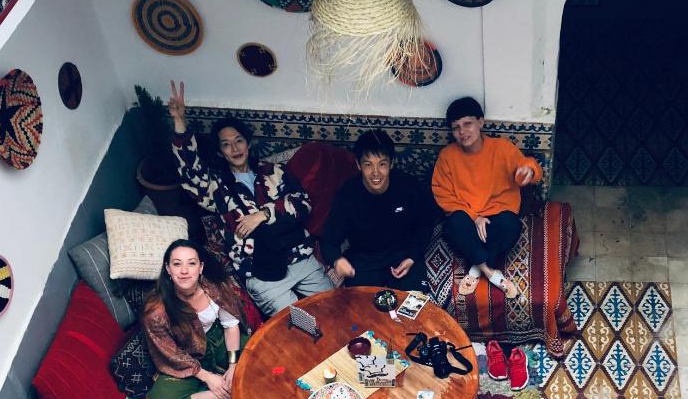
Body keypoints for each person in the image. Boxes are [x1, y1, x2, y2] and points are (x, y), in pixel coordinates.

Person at [167, 80, 332, 316]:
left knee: (335, 309)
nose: (234, 149)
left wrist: (263, 215)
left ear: (248, 143)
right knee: (300, 327)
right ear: (219, 152)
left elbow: (303, 203)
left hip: (300, 257)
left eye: (239, 141)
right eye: (226, 145)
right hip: (261, 272)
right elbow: (190, 176)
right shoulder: (216, 187)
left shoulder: (274, 171)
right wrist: (179, 122)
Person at [432, 97, 541, 299]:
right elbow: (442, 193)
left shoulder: (501, 148)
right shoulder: (447, 156)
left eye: (468, 124)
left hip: (498, 217)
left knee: (510, 225)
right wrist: (475, 217)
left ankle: (475, 268)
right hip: (467, 219)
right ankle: (490, 273)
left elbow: (528, 167)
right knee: (453, 226)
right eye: (456, 128)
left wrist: (528, 171)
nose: (462, 132)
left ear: (481, 122)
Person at [141, 239, 248, 399]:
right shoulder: (155, 310)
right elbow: (170, 353)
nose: (184, 271)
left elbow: (230, 326)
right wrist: (211, 381)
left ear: (200, 267)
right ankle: (224, 393)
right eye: (177, 264)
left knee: (261, 358)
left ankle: (231, 379)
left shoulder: (216, 287)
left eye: (191, 263)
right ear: (168, 269)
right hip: (183, 358)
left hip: (218, 342)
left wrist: (233, 366)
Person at [321, 129, 438, 290]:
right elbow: (329, 238)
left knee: (413, 309)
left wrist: (412, 256)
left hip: (402, 257)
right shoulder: (347, 193)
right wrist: (337, 260)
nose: (375, 173)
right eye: (368, 165)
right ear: (358, 165)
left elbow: (425, 223)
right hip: (364, 260)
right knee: (360, 311)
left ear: (391, 163)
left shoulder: (408, 186)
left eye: (382, 164)